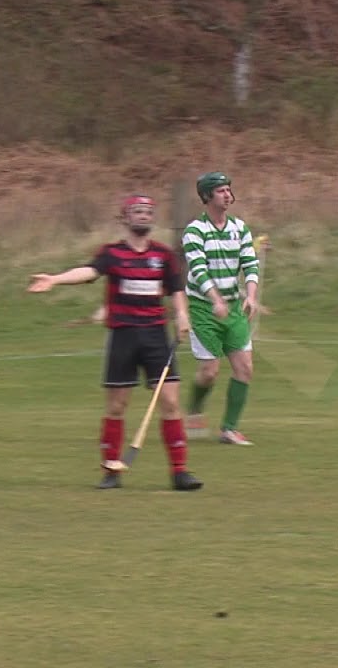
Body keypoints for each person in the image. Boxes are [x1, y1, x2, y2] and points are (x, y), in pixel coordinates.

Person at [28, 194, 203, 491]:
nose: (143, 215)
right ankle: (111, 471)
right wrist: (55, 279)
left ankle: (180, 472)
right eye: (137, 211)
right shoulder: (112, 253)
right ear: (125, 218)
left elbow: (176, 290)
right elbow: (89, 271)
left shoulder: (163, 255)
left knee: (171, 402)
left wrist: (183, 316)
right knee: (117, 406)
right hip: (123, 335)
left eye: (148, 211)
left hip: (156, 336)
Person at [182, 172, 261, 446]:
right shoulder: (195, 231)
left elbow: (250, 263)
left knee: (245, 368)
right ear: (207, 196)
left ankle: (229, 429)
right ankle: (194, 409)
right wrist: (215, 300)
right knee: (209, 372)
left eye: (228, 189)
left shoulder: (240, 228)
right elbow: (198, 269)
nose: (227, 195)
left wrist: (251, 296)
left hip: (234, 307)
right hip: (204, 308)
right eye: (220, 191)